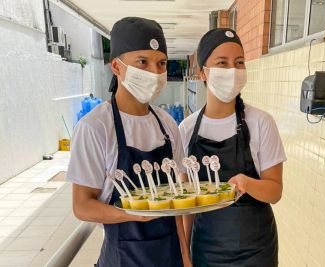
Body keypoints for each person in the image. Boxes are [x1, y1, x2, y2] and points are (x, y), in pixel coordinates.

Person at [66, 17, 191, 267]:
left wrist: (186, 258)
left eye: (161, 63)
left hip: (170, 257)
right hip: (123, 259)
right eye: (142, 62)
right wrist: (132, 212)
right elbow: (83, 206)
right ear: (116, 66)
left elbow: (175, 202)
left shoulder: (166, 125)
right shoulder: (96, 127)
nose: (154, 72)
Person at [179, 28, 287, 267]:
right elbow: (186, 205)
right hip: (206, 249)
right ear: (202, 73)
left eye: (239, 63)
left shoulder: (261, 122)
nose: (232, 71)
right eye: (222, 63)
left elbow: (275, 191)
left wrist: (247, 184)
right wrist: (185, 255)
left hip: (257, 250)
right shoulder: (186, 129)